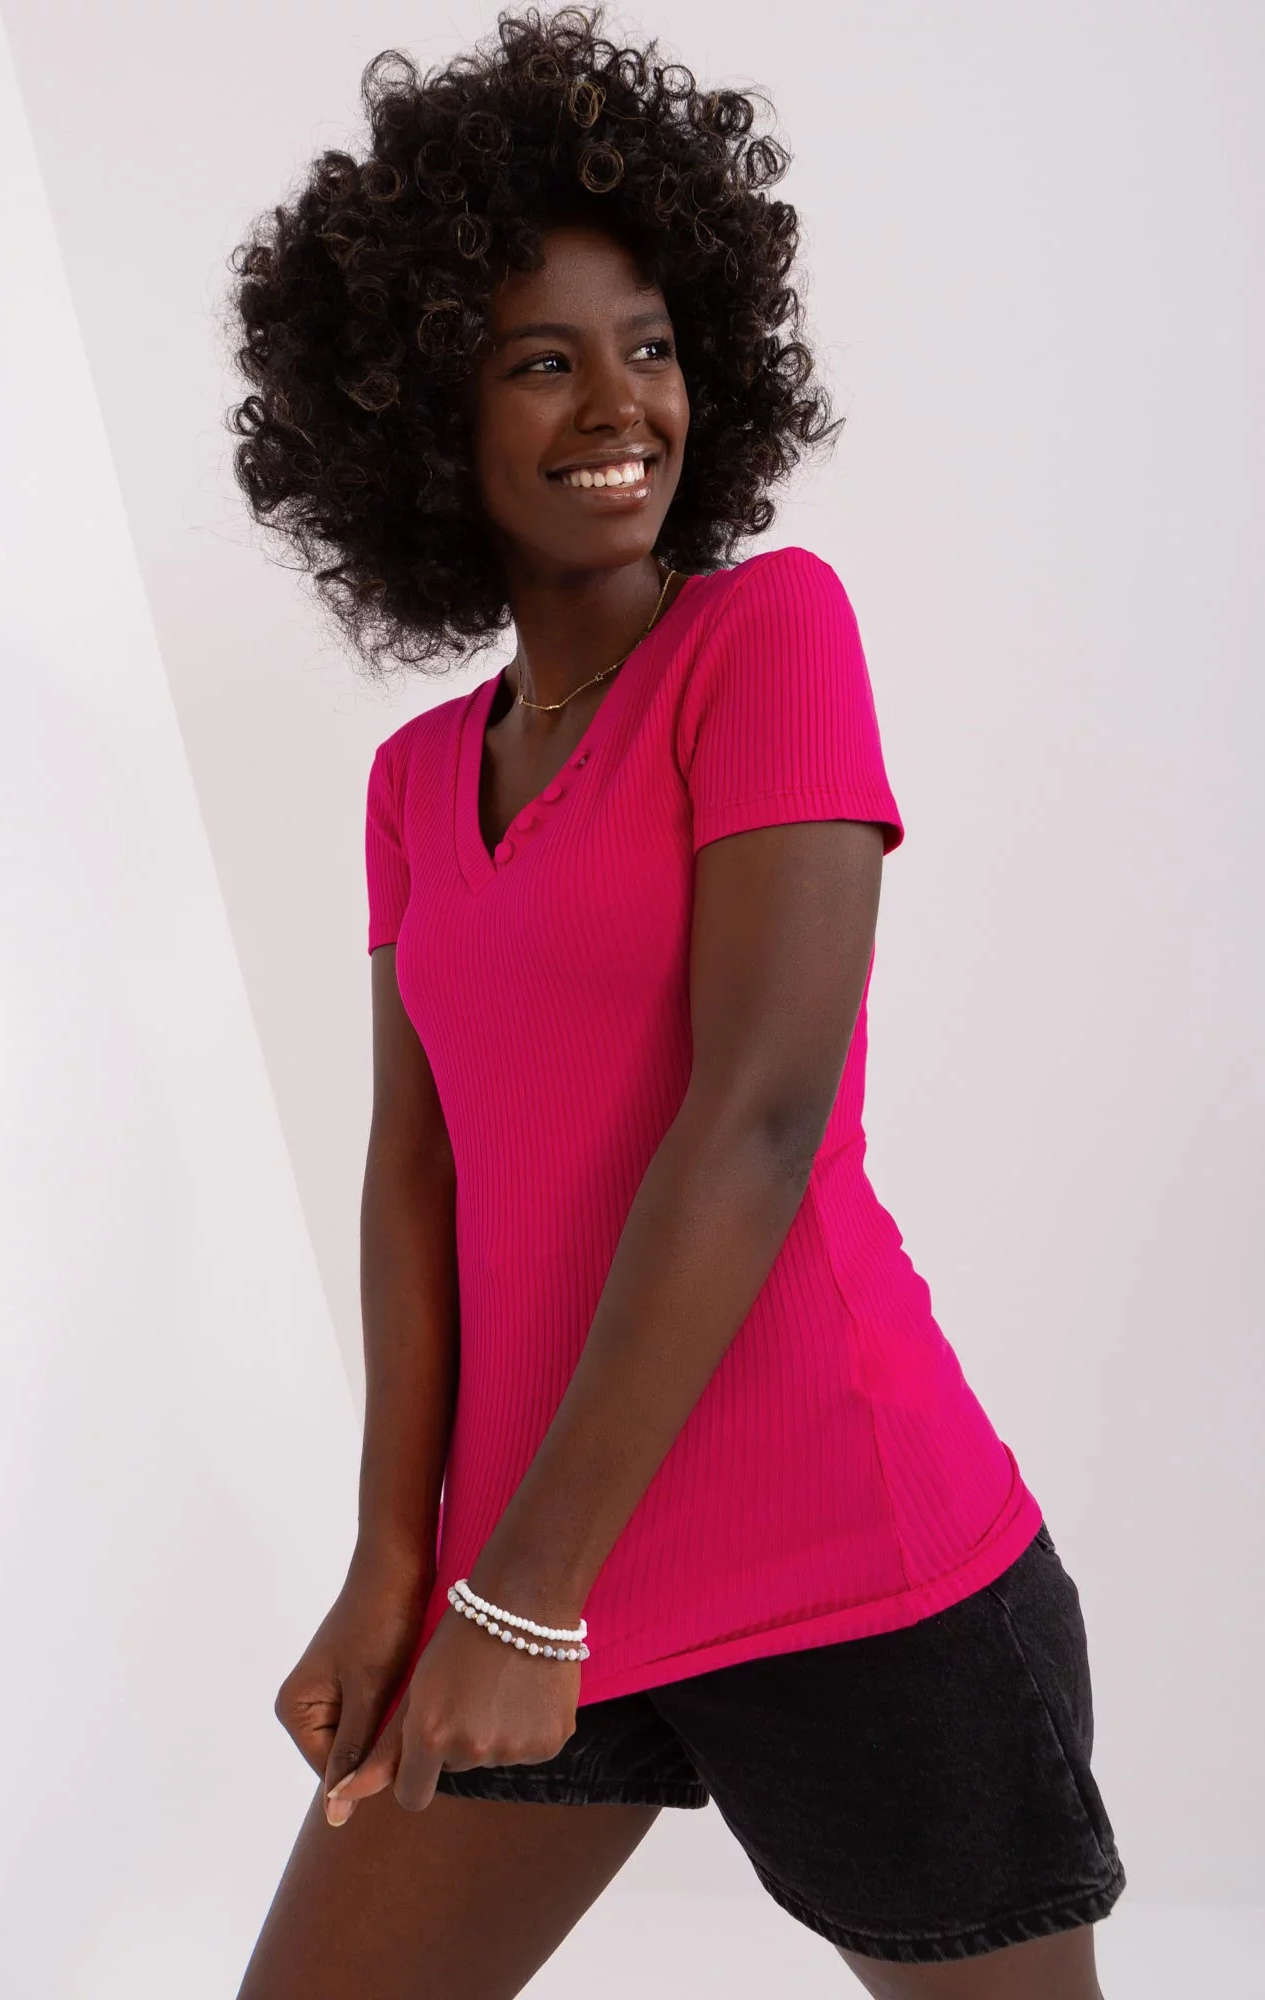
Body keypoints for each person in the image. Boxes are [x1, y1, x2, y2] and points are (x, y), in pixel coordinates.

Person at [223, 8, 1125, 1994]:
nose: (618, 402)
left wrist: (523, 1595)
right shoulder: (410, 785)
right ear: (423, 417)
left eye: (648, 346)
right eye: (542, 361)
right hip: (518, 1571)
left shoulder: (764, 637)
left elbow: (759, 1115)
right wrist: (398, 1562)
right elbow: (417, 1184)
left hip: (844, 1566)